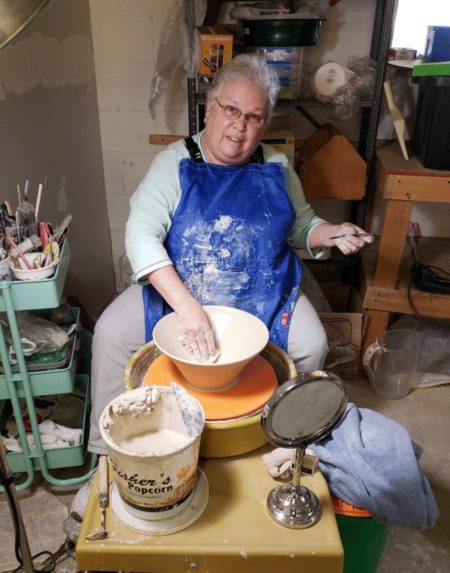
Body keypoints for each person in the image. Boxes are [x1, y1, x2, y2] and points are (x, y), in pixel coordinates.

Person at [71, 52, 373, 516]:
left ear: (265, 122)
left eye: (254, 117)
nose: (240, 127)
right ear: (210, 109)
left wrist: (328, 234)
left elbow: (301, 226)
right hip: (181, 290)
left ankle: (277, 447)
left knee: (312, 346)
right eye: (231, 111)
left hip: (261, 289)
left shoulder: (276, 165)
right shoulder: (175, 162)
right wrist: (187, 308)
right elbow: (141, 234)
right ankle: (107, 462)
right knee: (112, 333)